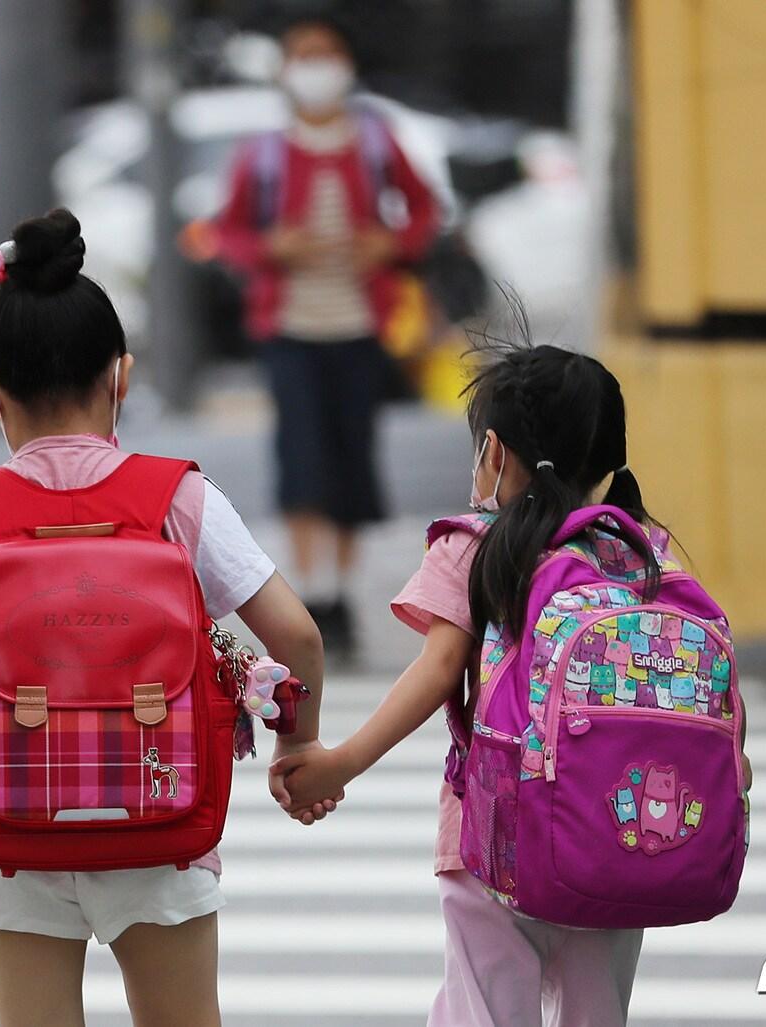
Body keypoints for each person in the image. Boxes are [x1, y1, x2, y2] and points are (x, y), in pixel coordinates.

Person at [0, 209, 335, 1027]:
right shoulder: (181, 496)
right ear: (122, 377)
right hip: (162, 814)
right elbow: (299, 636)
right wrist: (299, 741)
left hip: (10, 834)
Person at [273, 335, 755, 1026]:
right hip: (610, 838)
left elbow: (438, 670)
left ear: (494, 452)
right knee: (598, 1014)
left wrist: (339, 762)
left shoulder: (476, 545)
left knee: (485, 1013)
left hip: (493, 843)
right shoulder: (645, 551)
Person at [215, 15, 439, 658]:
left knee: (351, 458)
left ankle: (339, 593)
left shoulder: (375, 142)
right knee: (302, 460)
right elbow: (226, 234)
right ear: (284, 71)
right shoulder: (262, 153)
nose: (317, 67)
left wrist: (390, 244)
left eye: (327, 53)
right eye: (303, 56)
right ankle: (310, 593)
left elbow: (423, 211)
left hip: (361, 326)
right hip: (289, 329)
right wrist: (269, 247)